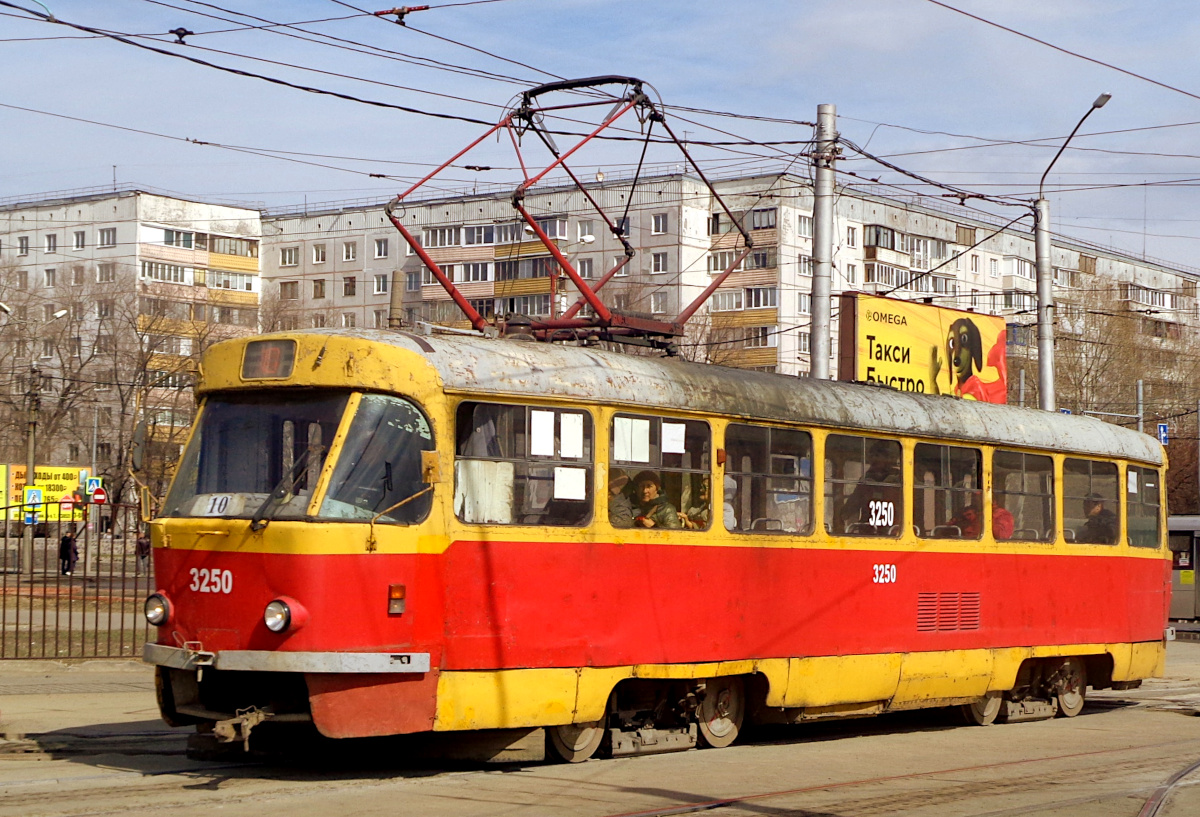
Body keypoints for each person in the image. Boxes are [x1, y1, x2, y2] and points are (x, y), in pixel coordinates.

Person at [842, 441, 901, 531]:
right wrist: (843, 514)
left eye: (877, 455)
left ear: (887, 458)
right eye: (871, 456)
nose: (873, 459)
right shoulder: (866, 479)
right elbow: (854, 502)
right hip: (867, 530)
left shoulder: (899, 478)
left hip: (893, 530)